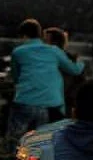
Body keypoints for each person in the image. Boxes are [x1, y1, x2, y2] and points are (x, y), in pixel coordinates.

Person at [6, 18, 85, 150]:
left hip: (24, 101)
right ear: (39, 34)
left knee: (14, 141)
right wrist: (81, 62)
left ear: (23, 35)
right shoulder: (53, 51)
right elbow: (74, 70)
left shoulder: (18, 52)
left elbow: (16, 77)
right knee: (42, 144)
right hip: (49, 104)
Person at [44, 26, 84, 122]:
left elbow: (79, 82)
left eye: (46, 40)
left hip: (63, 103)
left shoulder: (70, 59)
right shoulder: (72, 60)